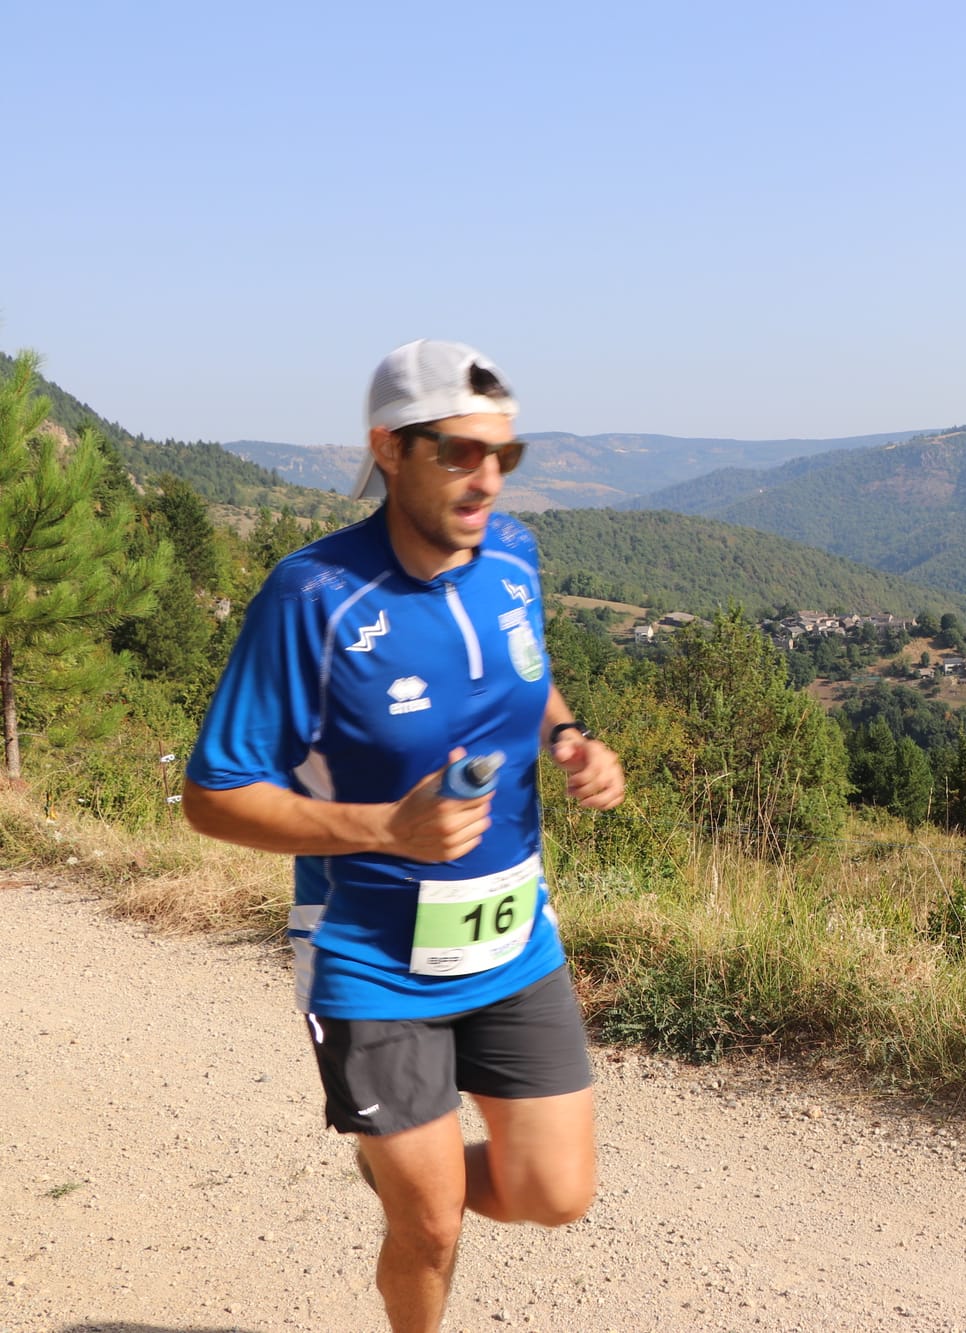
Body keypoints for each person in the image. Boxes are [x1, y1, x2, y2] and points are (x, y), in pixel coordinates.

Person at [182, 339, 626, 1333]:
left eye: (503, 456)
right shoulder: (314, 597)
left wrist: (567, 737)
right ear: (389, 449)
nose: (486, 479)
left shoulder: (512, 555)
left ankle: (400, 1165)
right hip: (370, 954)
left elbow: (527, 671)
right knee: (429, 1225)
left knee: (556, 1191)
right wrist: (387, 826)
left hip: (512, 937)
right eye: (460, 453)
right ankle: (411, 1190)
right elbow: (213, 793)